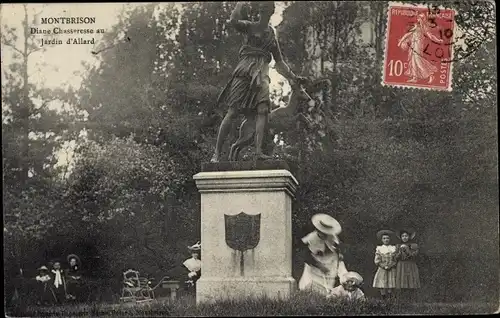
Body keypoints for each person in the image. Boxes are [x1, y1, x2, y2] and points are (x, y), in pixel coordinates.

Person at [210, 1, 306, 162]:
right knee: (233, 111)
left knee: (263, 110)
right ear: (259, 11)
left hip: (262, 73)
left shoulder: (271, 34)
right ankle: (216, 154)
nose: (264, 13)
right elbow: (233, 21)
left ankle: (258, 151)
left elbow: (280, 62)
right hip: (244, 70)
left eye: (268, 10)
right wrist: (239, 4)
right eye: (262, 10)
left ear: (271, 13)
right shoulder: (249, 26)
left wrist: (292, 77)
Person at [298, 214, 348, 296]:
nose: (324, 234)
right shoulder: (311, 238)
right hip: (315, 264)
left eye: (326, 232)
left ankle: (328, 295)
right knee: (311, 284)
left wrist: (339, 254)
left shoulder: (332, 237)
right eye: (322, 232)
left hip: (330, 262)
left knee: (329, 282)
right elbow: (306, 256)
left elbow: (336, 247)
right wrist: (319, 265)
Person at [397, 13, 444, 83]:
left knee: (418, 61)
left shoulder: (424, 28)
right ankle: (414, 78)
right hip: (413, 44)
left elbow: (431, 36)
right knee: (413, 61)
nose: (417, 19)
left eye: (419, 18)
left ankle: (431, 75)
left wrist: (438, 40)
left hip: (418, 45)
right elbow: (408, 34)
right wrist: (400, 41)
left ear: (422, 19)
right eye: (418, 18)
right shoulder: (416, 26)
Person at [395, 228, 421, 300]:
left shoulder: (414, 245)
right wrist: (400, 252)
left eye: (406, 236)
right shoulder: (398, 246)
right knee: (402, 281)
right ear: (401, 237)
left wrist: (407, 250)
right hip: (401, 265)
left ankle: (411, 299)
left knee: (411, 281)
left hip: (411, 265)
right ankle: (403, 299)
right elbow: (395, 257)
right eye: (403, 236)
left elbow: (414, 255)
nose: (404, 237)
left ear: (409, 237)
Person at [373, 229, 397, 300]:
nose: (386, 240)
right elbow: (377, 260)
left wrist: (391, 265)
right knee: (382, 283)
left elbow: (395, 259)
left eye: (387, 238)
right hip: (382, 268)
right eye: (384, 238)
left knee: (390, 283)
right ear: (381, 240)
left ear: (390, 239)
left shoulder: (393, 248)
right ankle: (383, 298)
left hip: (391, 268)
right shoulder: (379, 248)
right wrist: (383, 266)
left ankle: (390, 298)